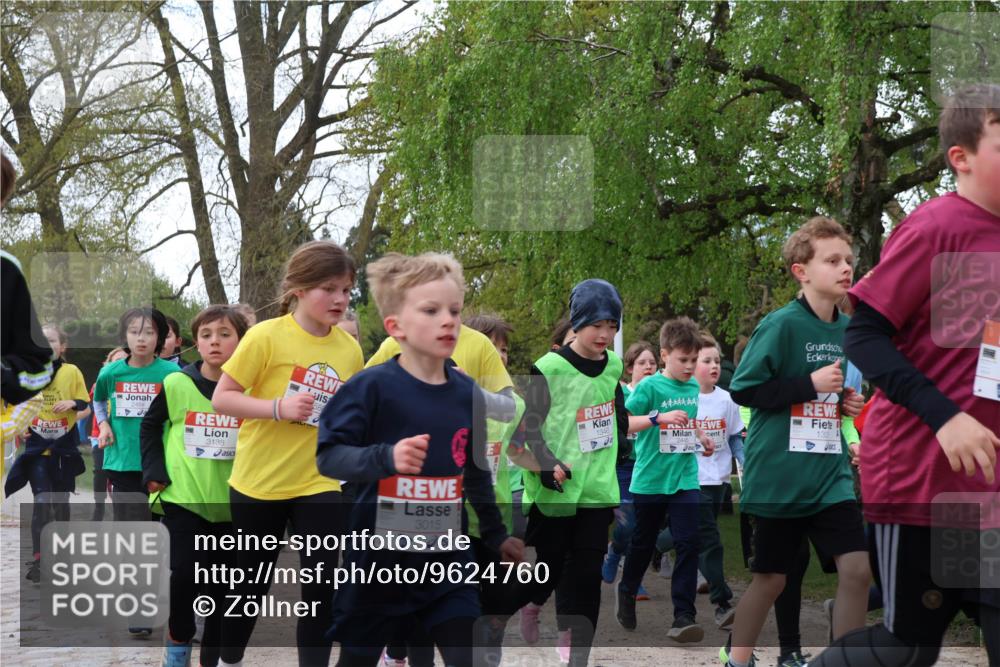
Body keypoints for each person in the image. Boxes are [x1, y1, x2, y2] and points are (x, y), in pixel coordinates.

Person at [811, 84, 1000, 666]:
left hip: (988, 491)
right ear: (961, 157)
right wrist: (946, 419)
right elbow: (864, 338)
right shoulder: (934, 227)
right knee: (908, 649)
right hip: (923, 482)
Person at [316, 252, 523, 667]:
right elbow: (330, 456)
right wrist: (386, 457)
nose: (448, 320)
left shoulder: (468, 395)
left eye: (454, 310)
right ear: (396, 328)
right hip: (378, 562)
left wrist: (497, 535)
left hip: (448, 561)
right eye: (431, 311)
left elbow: (477, 470)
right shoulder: (370, 388)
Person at [722, 216, 869, 667]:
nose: (845, 268)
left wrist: (845, 402)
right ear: (801, 271)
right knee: (772, 580)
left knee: (858, 569)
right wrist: (808, 384)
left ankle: (844, 660)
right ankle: (737, 659)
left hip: (829, 476)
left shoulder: (848, 331)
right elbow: (745, 389)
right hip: (780, 476)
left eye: (848, 260)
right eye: (832, 260)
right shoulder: (781, 325)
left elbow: (828, 390)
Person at [212, 240, 364, 667]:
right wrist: (277, 408)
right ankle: (229, 659)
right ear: (299, 288)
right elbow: (223, 399)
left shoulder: (348, 349)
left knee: (321, 586)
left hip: (319, 479)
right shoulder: (265, 336)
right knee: (250, 584)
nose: (339, 299)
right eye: (329, 288)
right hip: (259, 481)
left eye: (347, 290)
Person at [513, 279, 630, 667]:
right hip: (555, 489)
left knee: (586, 573)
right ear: (577, 323)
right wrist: (547, 464)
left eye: (612, 326)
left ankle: (577, 655)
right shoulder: (549, 367)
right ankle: (531, 603)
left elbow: (615, 411)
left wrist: (621, 434)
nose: (605, 334)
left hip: (596, 488)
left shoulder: (613, 365)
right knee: (550, 568)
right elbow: (527, 428)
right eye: (597, 324)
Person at [141, 305, 248, 667]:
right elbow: (150, 427)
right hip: (183, 496)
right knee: (184, 574)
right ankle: (178, 643)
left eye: (224, 334)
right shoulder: (176, 382)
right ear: (196, 343)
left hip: (233, 502)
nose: (215, 342)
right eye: (206, 335)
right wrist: (154, 470)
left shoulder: (253, 389)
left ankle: (212, 658)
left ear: (242, 341)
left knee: (222, 586)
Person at [616, 317, 715, 642]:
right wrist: (659, 418)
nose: (689, 367)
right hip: (650, 479)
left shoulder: (691, 387)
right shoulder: (649, 387)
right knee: (643, 543)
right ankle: (627, 589)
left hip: (685, 477)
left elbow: (691, 418)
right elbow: (625, 424)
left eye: (693, 360)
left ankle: (683, 615)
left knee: (689, 542)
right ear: (664, 355)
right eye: (683, 360)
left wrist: (701, 435)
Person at [3, 324, 89, 583]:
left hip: (64, 451)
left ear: (62, 346)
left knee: (60, 506)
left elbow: (85, 403)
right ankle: (40, 559)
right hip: (37, 450)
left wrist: (73, 403)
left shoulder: (72, 372)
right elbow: (13, 407)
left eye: (51, 340)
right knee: (41, 504)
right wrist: (21, 428)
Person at [692, 333, 744, 630]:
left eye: (716, 360)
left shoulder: (727, 399)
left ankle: (647, 546)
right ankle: (721, 602)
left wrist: (745, 461)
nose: (714, 366)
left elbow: (735, 436)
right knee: (710, 539)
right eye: (706, 360)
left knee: (689, 537)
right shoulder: (685, 397)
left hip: (719, 478)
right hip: (691, 478)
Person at [602, 341, 658, 600]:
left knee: (644, 528)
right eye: (642, 363)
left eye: (652, 363)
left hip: (649, 466)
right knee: (627, 525)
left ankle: (633, 580)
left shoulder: (660, 392)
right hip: (624, 467)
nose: (648, 367)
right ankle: (615, 551)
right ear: (629, 368)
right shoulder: (621, 392)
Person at [89, 347, 127, 521]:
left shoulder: (132, 384)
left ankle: (118, 511)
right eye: (115, 360)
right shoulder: (101, 383)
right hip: (100, 436)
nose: (119, 364)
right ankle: (99, 508)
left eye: (123, 360)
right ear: (108, 364)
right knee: (100, 472)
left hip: (123, 437)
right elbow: (96, 403)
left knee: (117, 479)